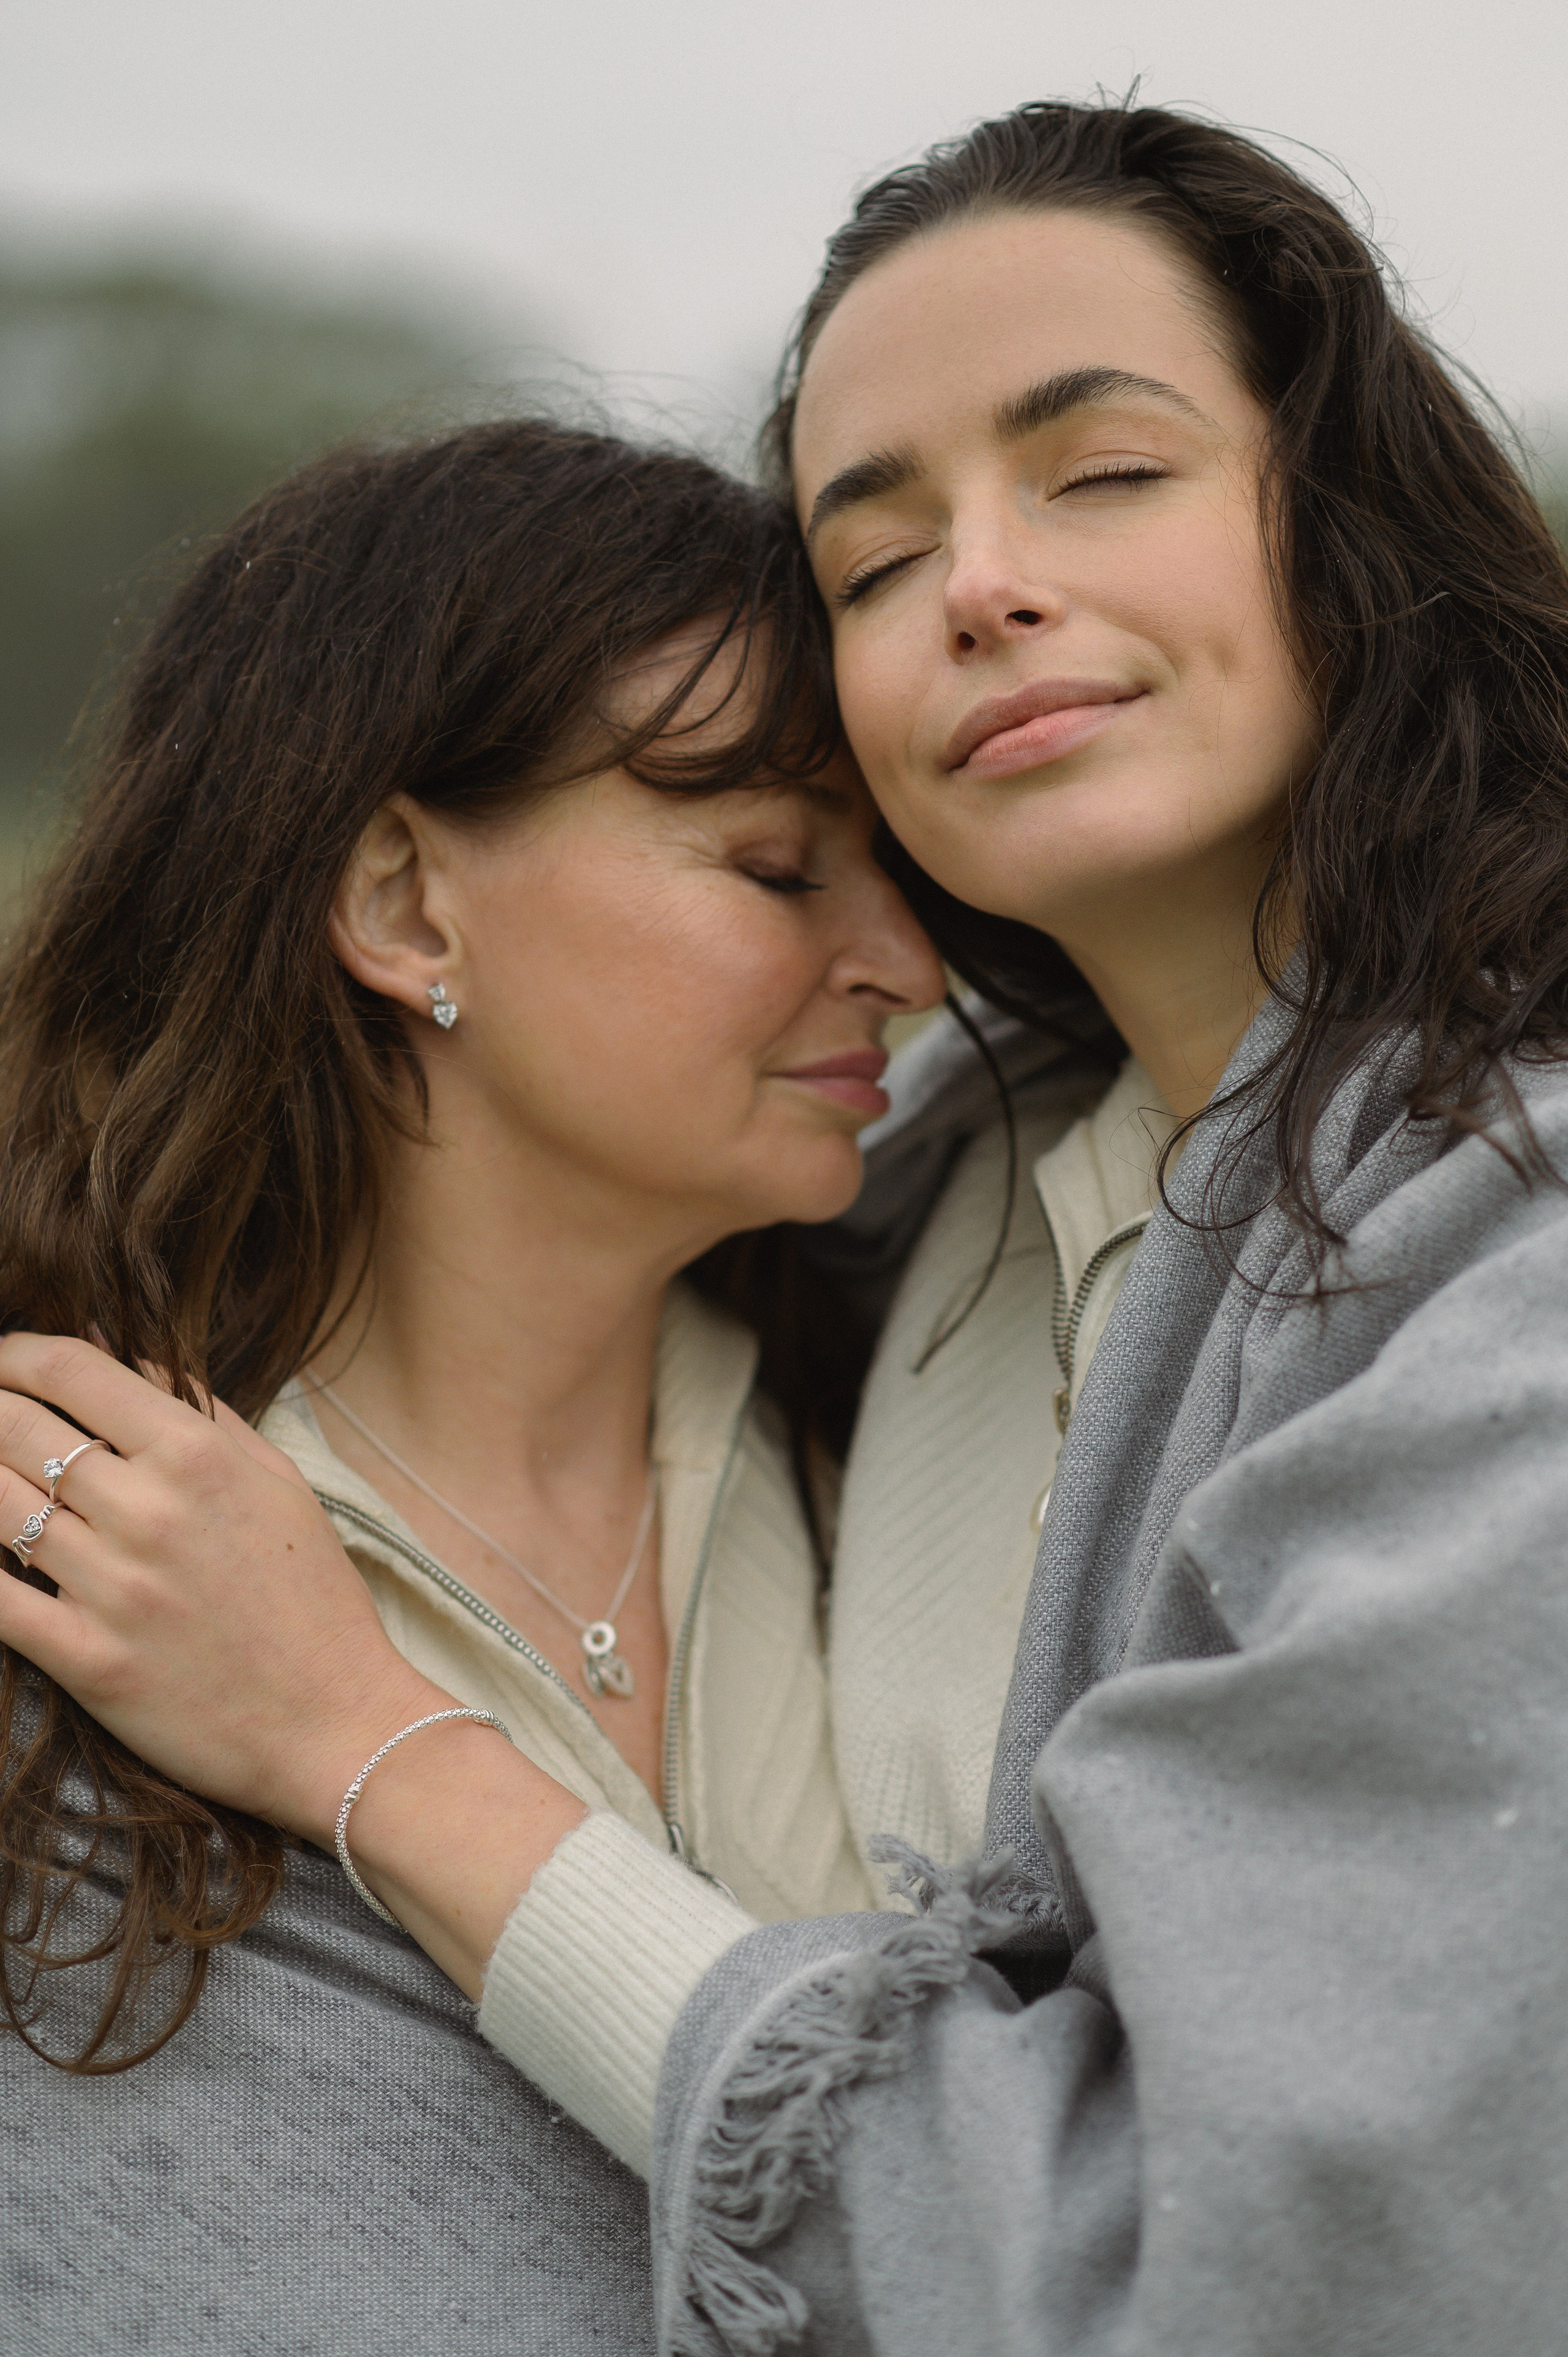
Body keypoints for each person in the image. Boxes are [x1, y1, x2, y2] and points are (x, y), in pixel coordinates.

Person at [12, 89, 1568, 2351]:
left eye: (1104, 470)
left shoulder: (1497, 1250)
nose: (985, 582)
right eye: (868, 558)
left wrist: (367, 1745)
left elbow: (1232, 2243)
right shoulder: (902, 1234)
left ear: (1334, 522)